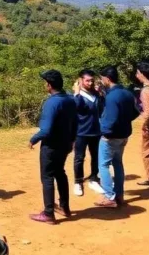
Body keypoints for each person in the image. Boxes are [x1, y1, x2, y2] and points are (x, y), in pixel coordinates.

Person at [29, 70, 77, 224]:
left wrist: (33, 139)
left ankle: (48, 213)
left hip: (51, 146)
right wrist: (72, 141)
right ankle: (64, 207)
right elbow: (75, 123)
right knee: (60, 173)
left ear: (49, 85)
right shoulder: (70, 99)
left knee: (47, 177)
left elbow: (46, 130)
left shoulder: (52, 102)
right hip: (65, 144)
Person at [94, 66, 137, 209]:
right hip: (124, 134)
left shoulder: (112, 97)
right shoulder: (127, 93)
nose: (101, 81)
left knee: (104, 165)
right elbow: (135, 112)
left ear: (107, 78)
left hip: (111, 136)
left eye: (101, 78)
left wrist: (102, 131)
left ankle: (109, 196)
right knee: (118, 163)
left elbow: (110, 119)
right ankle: (119, 194)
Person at [72, 69, 104, 197]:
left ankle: (94, 178)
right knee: (79, 158)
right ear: (80, 81)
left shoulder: (96, 94)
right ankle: (78, 182)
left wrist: (102, 95)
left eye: (92, 80)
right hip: (81, 132)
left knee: (96, 156)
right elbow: (77, 108)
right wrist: (76, 93)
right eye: (87, 80)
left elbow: (102, 109)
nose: (90, 83)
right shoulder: (76, 96)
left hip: (96, 131)